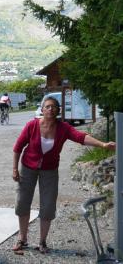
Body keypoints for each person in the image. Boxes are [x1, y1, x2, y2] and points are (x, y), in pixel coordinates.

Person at [12, 96, 116, 254]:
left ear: (58, 110)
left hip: (50, 170)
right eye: (47, 106)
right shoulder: (32, 125)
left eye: (54, 107)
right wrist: (14, 169)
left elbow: (81, 137)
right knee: (22, 202)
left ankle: (42, 242)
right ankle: (22, 238)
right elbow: (18, 147)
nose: (50, 109)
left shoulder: (63, 128)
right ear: (42, 109)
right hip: (27, 168)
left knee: (48, 206)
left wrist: (102, 144)